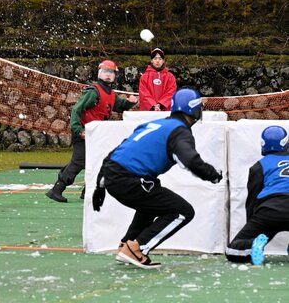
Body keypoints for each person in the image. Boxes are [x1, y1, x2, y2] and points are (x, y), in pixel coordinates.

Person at [92, 88, 222, 269]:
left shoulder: (154, 124)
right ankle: (137, 249)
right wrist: (214, 175)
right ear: (194, 110)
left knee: (152, 200)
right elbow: (190, 160)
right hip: (128, 178)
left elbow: (113, 154)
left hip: (114, 174)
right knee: (183, 211)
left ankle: (126, 245)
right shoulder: (180, 131)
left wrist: (100, 185)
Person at [45, 60, 138, 203]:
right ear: (100, 74)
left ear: (115, 76)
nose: (108, 75)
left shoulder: (111, 94)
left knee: (98, 162)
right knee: (79, 162)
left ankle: (87, 191)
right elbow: (77, 110)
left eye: (111, 72)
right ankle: (57, 189)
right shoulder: (93, 92)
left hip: (96, 135)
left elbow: (120, 106)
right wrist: (78, 130)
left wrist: (131, 102)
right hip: (83, 133)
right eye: (105, 72)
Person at [225, 125, 289, 266]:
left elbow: (253, 199)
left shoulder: (259, 165)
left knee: (233, 252)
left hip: (270, 210)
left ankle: (254, 242)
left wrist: (252, 226)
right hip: (275, 207)